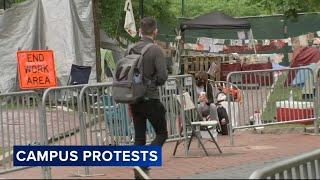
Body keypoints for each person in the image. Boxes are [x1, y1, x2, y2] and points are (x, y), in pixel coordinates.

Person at [128, 16, 168, 179]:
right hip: (150, 97)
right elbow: (163, 76)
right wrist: (153, 83)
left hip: (133, 98)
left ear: (140, 31)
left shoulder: (130, 49)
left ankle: (139, 174)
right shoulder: (155, 49)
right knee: (162, 133)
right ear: (155, 31)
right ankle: (143, 163)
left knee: (139, 137)